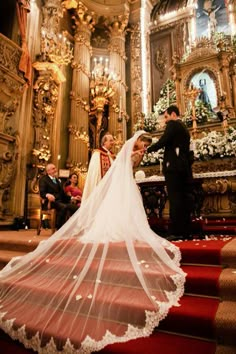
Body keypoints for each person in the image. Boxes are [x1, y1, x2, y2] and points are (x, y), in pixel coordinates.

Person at [0, 131, 186, 354]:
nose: (112, 142)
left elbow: (123, 162)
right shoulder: (103, 154)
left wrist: (137, 153)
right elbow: (112, 168)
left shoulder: (117, 153)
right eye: (109, 140)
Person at [147, 105, 194, 241]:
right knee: (183, 199)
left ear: (173, 114)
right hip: (183, 167)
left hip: (174, 168)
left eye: (166, 117)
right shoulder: (184, 128)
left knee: (175, 199)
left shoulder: (173, 125)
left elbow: (163, 141)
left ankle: (176, 231)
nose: (165, 121)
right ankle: (185, 231)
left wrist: (148, 149)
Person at [39, 163, 78, 229]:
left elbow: (63, 195)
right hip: (50, 202)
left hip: (60, 201)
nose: (55, 170)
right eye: (53, 168)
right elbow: (42, 193)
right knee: (64, 207)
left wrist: (72, 197)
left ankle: (72, 227)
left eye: (55, 168)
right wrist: (48, 195)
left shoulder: (58, 180)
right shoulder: (43, 179)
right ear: (48, 171)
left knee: (76, 208)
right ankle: (59, 227)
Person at [82, 132, 115, 201]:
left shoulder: (112, 155)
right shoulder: (97, 154)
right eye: (111, 140)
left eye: (113, 140)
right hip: (100, 186)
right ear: (104, 142)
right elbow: (95, 173)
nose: (113, 142)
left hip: (111, 186)